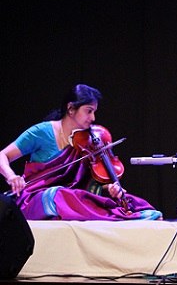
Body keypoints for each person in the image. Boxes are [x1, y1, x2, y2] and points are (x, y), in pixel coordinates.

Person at [0, 84, 162, 221]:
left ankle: (127, 213)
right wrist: (11, 176)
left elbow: (87, 185)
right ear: (71, 108)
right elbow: (3, 155)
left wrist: (108, 189)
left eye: (94, 111)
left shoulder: (91, 140)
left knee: (129, 201)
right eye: (89, 111)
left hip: (75, 198)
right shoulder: (41, 132)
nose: (93, 117)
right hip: (37, 198)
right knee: (58, 195)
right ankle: (120, 217)